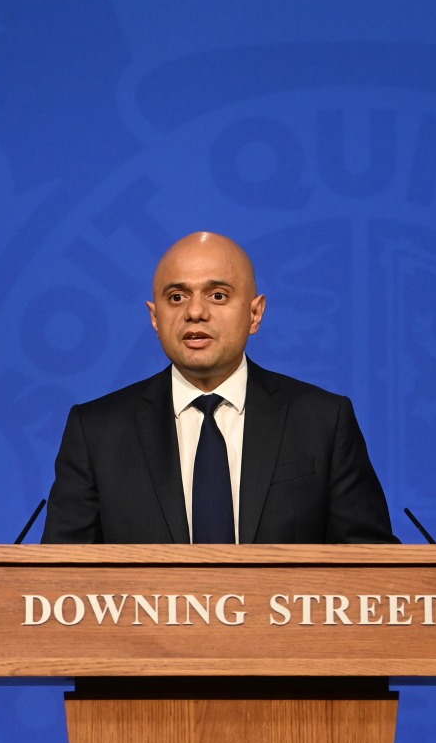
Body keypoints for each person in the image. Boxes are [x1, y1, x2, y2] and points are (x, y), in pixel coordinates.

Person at [41, 231, 398, 544]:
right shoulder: (97, 432)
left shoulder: (322, 422)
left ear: (255, 314)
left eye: (218, 295)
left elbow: (374, 570)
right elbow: (57, 579)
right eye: (176, 297)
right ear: (154, 317)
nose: (195, 312)